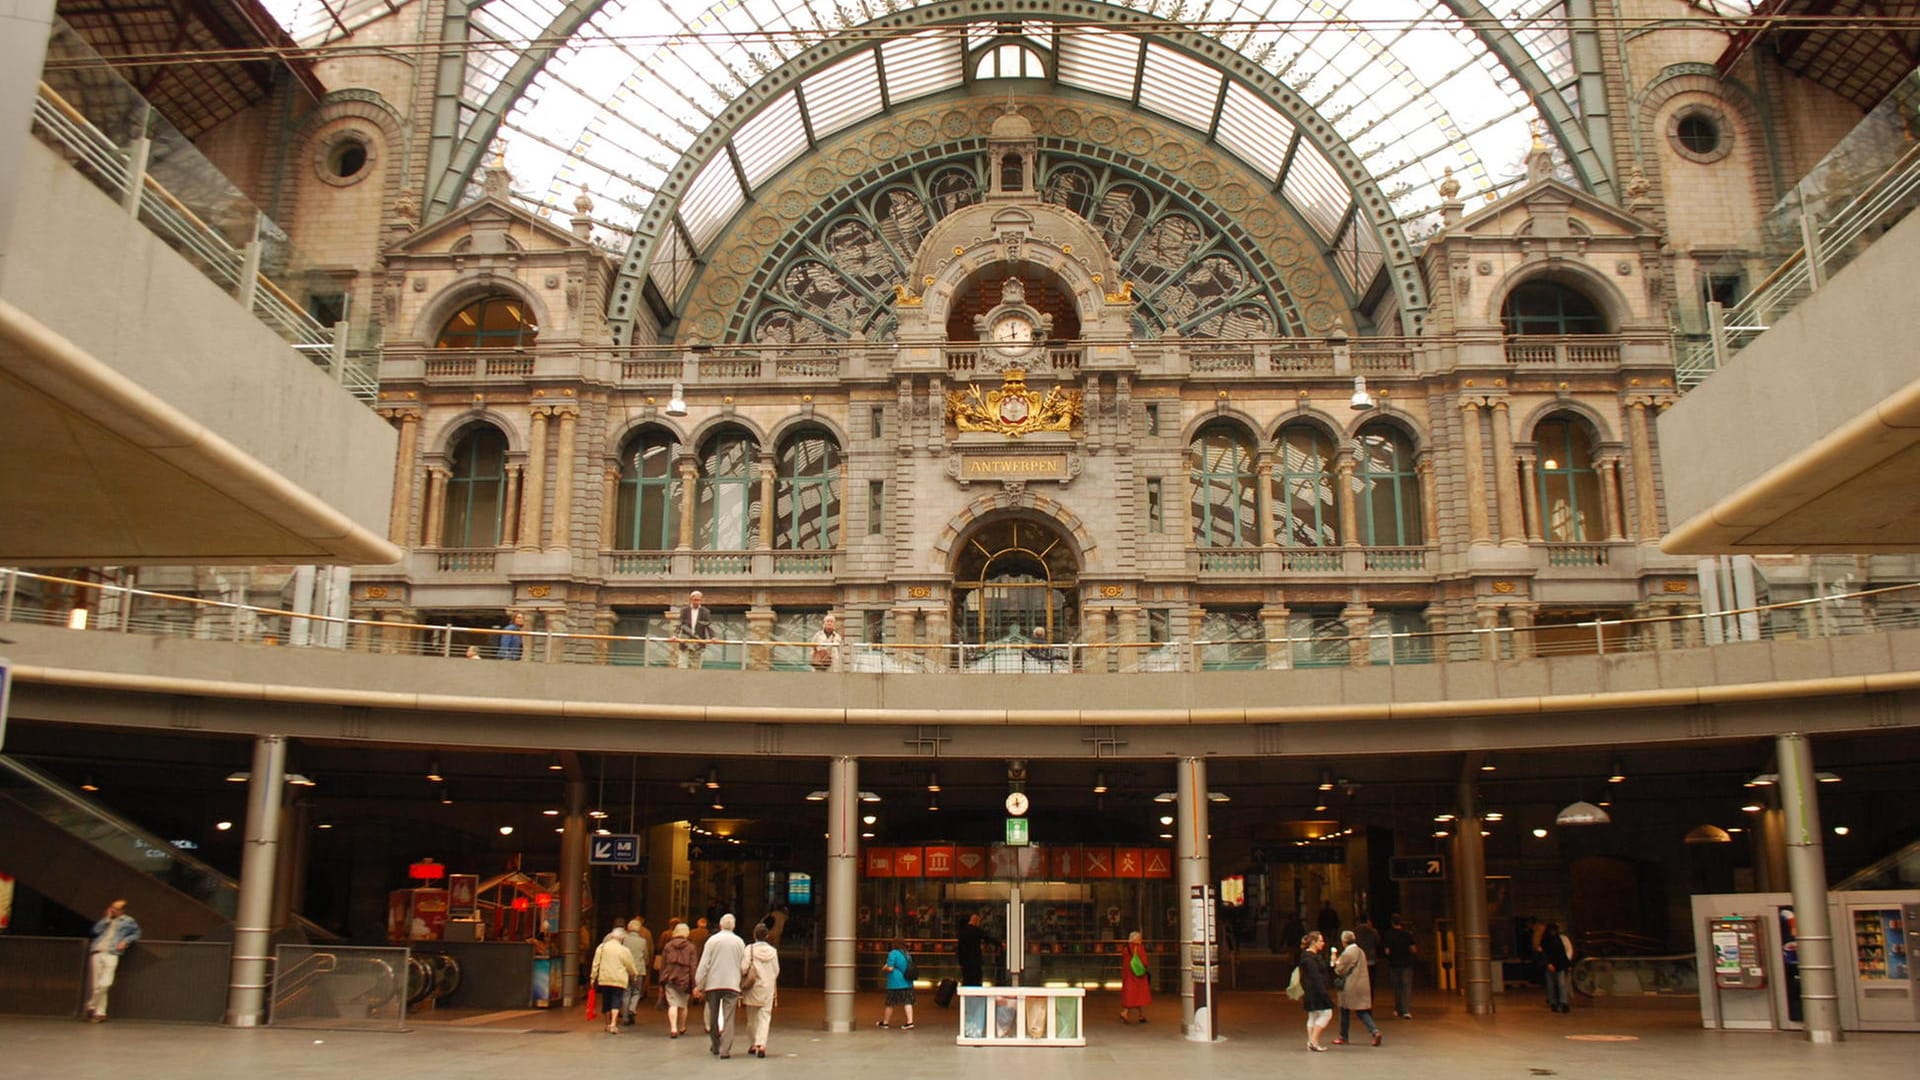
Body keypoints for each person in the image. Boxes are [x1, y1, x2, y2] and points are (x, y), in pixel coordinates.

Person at [693, 912, 747, 1058]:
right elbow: (743, 965)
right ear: (733, 926)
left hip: (713, 983)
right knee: (729, 1018)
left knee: (713, 1016)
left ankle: (716, 1044)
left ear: (720, 925)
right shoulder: (739, 942)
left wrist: (699, 984)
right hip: (732, 984)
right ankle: (725, 1050)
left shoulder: (712, 941)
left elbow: (704, 964)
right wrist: (741, 981)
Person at [86, 898, 140, 1022]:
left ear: (122, 910)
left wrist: (125, 941)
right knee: (96, 984)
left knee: (106, 982)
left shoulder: (128, 921)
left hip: (112, 952)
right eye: (112, 907)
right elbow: (95, 931)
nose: (113, 910)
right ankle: (99, 1013)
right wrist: (106, 919)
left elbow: (136, 933)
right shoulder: (106, 920)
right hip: (98, 951)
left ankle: (91, 1005)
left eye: (116, 908)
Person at [1332, 929, 1382, 1047]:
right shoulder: (1360, 951)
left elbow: (1340, 970)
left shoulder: (1348, 953)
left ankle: (1343, 1036)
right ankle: (1375, 1031)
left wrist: (1334, 959)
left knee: (1344, 1010)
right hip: (1362, 985)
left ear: (1344, 941)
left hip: (1351, 986)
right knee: (1361, 1011)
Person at [587, 925, 640, 1035]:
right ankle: (613, 1023)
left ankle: (607, 1023)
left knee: (606, 999)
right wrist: (634, 974)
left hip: (605, 978)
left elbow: (595, 963)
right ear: (621, 938)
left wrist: (593, 977)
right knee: (616, 999)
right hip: (618, 978)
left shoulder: (602, 947)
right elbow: (629, 964)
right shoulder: (623, 950)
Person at [741, 922, 781, 1058]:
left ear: (754, 935)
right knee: (765, 1017)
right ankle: (761, 1044)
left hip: (753, 987)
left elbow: (744, 967)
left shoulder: (749, 949)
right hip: (767, 987)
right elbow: (776, 970)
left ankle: (752, 1044)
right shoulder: (773, 951)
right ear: (767, 935)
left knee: (751, 1018)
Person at [1297, 930, 1335, 1052]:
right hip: (1316, 991)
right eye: (1321, 941)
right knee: (1326, 1013)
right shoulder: (1310, 959)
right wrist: (1323, 991)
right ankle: (1314, 1040)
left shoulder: (1306, 957)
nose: (1323, 943)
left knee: (1313, 1015)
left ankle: (1310, 1041)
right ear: (1313, 942)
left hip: (1310, 991)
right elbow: (1315, 977)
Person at [658, 922, 697, 1037]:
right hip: (685, 978)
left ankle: (673, 1028)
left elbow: (663, 964)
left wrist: (661, 979)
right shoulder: (691, 947)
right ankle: (682, 1026)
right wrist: (694, 983)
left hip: (670, 977)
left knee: (672, 1004)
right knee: (683, 1004)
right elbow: (693, 966)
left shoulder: (668, 946)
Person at [1381, 914, 1418, 1019]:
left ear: (1392, 923)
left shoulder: (1388, 935)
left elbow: (1387, 951)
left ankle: (1398, 1009)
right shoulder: (1407, 934)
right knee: (1406, 987)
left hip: (1394, 964)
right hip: (1406, 964)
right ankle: (1406, 1010)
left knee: (1397, 987)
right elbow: (1414, 949)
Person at [877, 936, 915, 1029]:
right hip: (907, 981)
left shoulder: (893, 953)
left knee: (890, 1003)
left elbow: (890, 968)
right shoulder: (907, 954)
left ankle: (885, 1023)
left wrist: (884, 968)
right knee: (907, 1002)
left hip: (895, 982)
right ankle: (910, 1022)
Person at [621, 915, 651, 1025]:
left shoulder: (624, 940)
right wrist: (646, 963)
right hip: (639, 969)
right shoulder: (642, 941)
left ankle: (624, 1017)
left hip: (626, 970)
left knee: (626, 992)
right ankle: (632, 1008)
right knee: (637, 991)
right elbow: (646, 955)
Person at [1118, 929, 1152, 1024]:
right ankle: (1127, 1013)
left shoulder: (1126, 948)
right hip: (1138, 974)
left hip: (1128, 974)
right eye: (1139, 938)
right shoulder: (1139, 948)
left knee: (1130, 994)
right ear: (1136, 939)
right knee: (1138, 995)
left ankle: (1140, 1014)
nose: (1141, 939)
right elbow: (1144, 961)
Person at [673, 590, 712, 669]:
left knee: (696, 666)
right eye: (695, 600)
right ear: (691, 600)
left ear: (701, 600)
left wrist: (713, 637)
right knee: (682, 665)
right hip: (685, 641)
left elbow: (708, 626)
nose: (697, 602)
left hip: (698, 642)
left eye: (699, 600)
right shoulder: (684, 610)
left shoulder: (705, 612)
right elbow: (680, 624)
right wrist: (675, 635)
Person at [956, 911, 996, 987]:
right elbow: (987, 938)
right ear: (975, 920)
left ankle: (966, 995)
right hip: (975, 960)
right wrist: (1000, 944)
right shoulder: (976, 930)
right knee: (976, 979)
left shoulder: (962, 931)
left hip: (964, 960)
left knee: (967, 978)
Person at [1541, 921, 1575, 1013]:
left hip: (1559, 965)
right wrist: (1548, 963)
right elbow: (1544, 954)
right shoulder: (1545, 941)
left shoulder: (1559, 940)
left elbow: (1562, 953)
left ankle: (1563, 1003)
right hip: (1549, 966)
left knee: (1561, 984)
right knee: (1551, 985)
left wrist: (1567, 964)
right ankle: (1553, 1003)